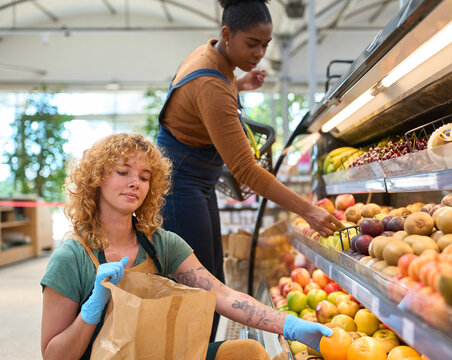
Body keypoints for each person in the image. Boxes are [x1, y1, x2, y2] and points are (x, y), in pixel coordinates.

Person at [40, 134, 332, 360]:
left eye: (144, 177)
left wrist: (289, 324)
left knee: (249, 352)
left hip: (162, 353)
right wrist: (92, 308)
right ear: (97, 178)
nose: (135, 183)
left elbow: (223, 295)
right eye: (123, 172)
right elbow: (54, 354)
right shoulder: (72, 257)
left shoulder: (161, 244)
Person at [157, 0, 342, 339]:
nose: (259, 53)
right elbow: (245, 170)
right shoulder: (211, 84)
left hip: (195, 183)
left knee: (212, 277)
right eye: (252, 44)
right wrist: (308, 210)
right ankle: (192, 350)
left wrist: (239, 84)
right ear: (227, 34)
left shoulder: (211, 56)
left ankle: (202, 348)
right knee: (199, 287)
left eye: (265, 45)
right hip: (178, 187)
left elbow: (201, 98)